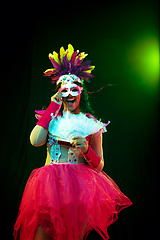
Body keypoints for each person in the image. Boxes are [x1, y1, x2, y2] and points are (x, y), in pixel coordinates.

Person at [13, 44, 132, 240]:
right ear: (59, 93)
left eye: (73, 90)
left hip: (79, 189)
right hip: (48, 189)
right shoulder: (50, 119)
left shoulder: (91, 125)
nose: (69, 94)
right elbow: (35, 141)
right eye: (64, 91)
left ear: (80, 92)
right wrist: (53, 106)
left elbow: (100, 165)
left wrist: (86, 149)